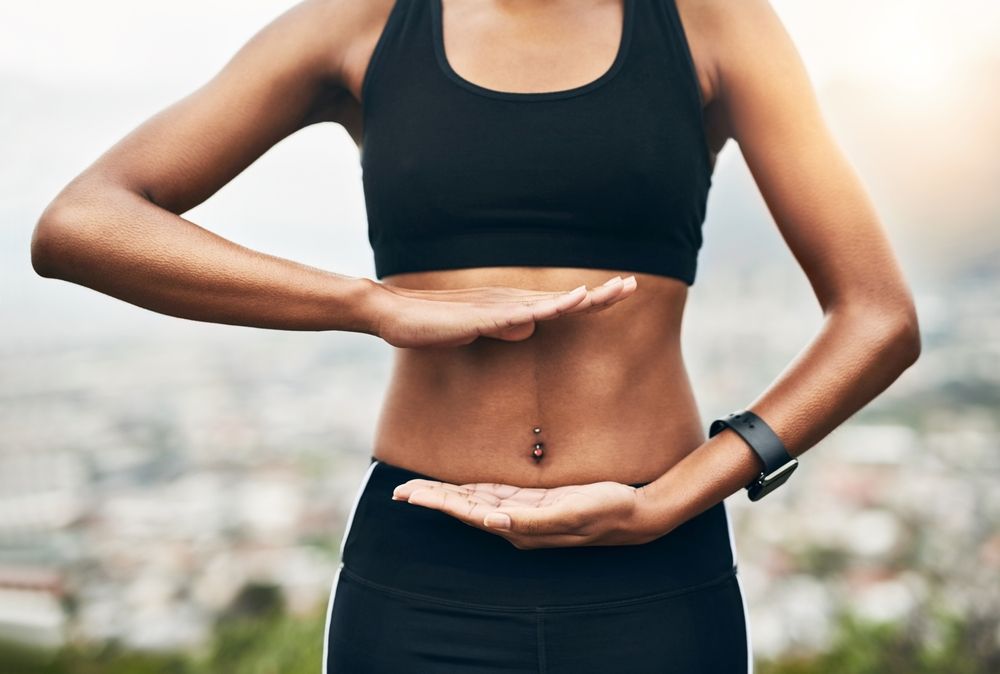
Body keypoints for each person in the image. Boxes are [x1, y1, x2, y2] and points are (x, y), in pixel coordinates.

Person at [30, 0, 921, 671]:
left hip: (656, 572)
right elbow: (83, 223)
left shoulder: (714, 22)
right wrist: (366, 303)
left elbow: (878, 317)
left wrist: (671, 500)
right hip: (422, 577)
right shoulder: (362, 22)